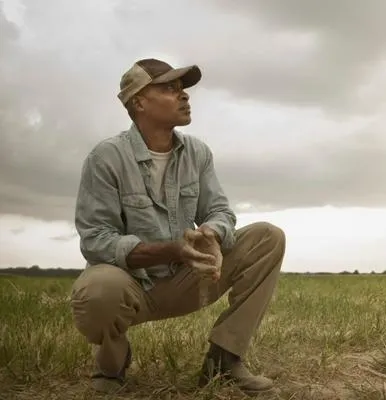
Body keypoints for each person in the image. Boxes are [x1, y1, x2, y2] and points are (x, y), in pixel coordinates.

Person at [70, 58, 286, 397]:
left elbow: (218, 210)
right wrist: (172, 248)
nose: (183, 96)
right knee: (97, 289)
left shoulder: (197, 153)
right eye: (169, 89)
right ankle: (112, 366)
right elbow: (96, 241)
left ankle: (224, 360)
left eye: (182, 89)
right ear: (138, 101)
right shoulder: (106, 158)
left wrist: (212, 235)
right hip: (133, 287)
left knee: (267, 237)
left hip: (189, 279)